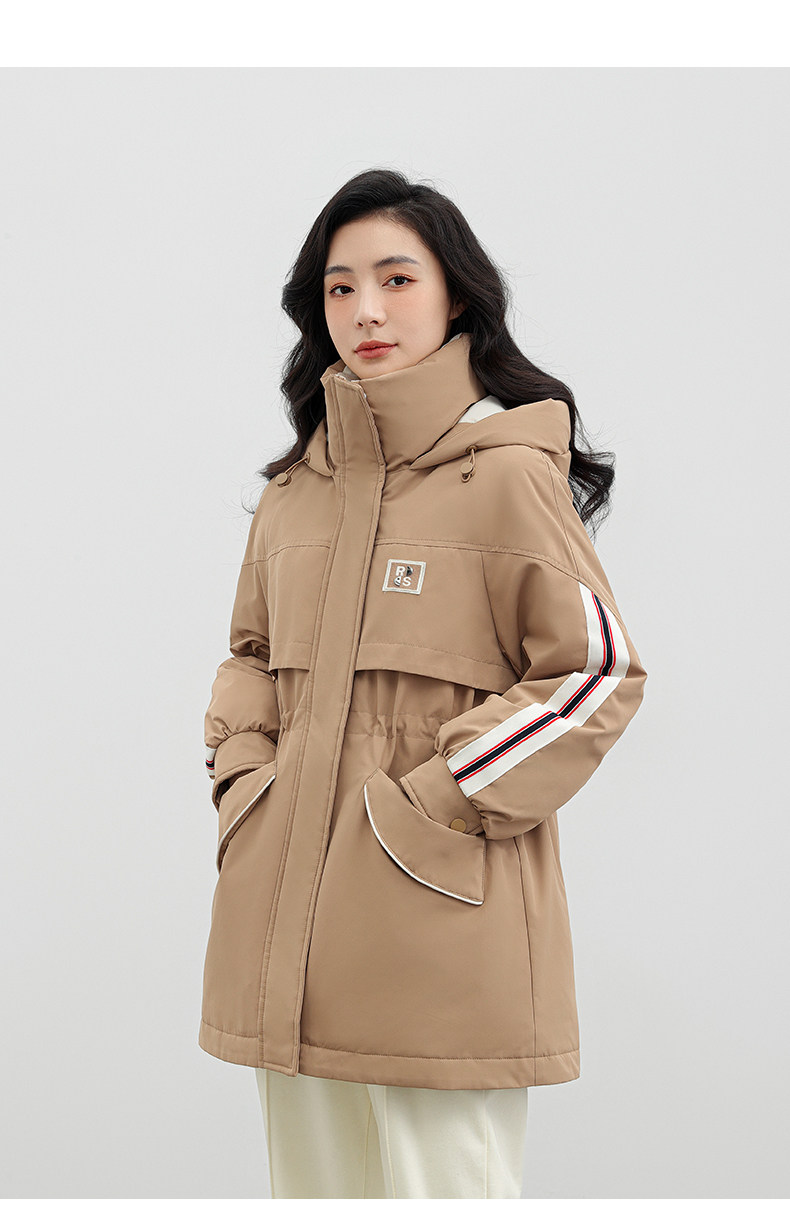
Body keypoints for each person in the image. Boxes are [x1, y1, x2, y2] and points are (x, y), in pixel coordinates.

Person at [199, 168, 648, 1199]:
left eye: (397, 279)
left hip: (441, 931)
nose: (366, 309)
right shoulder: (294, 492)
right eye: (340, 286)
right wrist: (245, 786)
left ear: (456, 297)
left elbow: (595, 671)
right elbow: (249, 657)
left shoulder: (506, 472)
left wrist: (440, 799)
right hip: (284, 934)